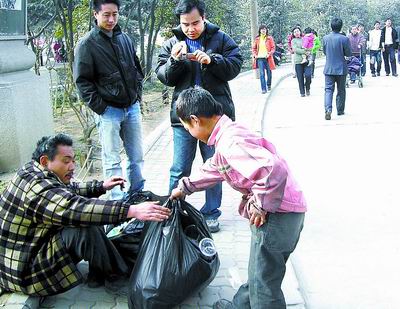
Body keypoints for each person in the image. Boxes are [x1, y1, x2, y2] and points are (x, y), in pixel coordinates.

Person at [170, 87, 306, 309]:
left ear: (194, 120)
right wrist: (185, 187)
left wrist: (261, 206)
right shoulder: (227, 134)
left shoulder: (230, 142)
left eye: (186, 127)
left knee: (264, 285)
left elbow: (274, 170)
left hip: (278, 216)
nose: (188, 131)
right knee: (259, 272)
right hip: (284, 212)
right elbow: (215, 168)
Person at [0, 134, 170, 296]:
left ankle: (97, 276)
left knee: (91, 218)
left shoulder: (34, 170)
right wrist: (132, 210)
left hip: (30, 252)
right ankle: (116, 276)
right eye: (66, 161)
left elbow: (64, 192)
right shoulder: (36, 188)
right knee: (85, 225)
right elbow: (73, 207)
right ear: (45, 160)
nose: (72, 166)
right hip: (25, 271)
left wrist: (101, 186)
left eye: (73, 161)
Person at [155, 0, 243, 232]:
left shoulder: (221, 39)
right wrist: (175, 61)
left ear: (203, 18)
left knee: (215, 165)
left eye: (195, 23)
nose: (190, 28)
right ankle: (173, 210)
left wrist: (212, 60)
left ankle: (211, 212)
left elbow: (235, 66)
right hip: (183, 119)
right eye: (185, 24)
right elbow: (164, 77)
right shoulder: (172, 43)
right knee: (179, 166)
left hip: (214, 119)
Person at [74, 0, 146, 200]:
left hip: (131, 107)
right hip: (109, 111)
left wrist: (137, 95)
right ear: (95, 14)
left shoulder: (124, 39)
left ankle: (137, 193)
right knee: (112, 160)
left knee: (137, 157)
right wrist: (102, 108)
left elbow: (136, 68)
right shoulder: (87, 44)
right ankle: (116, 203)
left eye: (115, 14)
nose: (111, 19)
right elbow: (82, 82)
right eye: (106, 14)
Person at [323, 17, 351, 120]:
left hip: (329, 68)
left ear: (331, 26)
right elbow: (348, 53)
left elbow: (325, 52)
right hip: (341, 69)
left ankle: (328, 110)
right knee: (341, 90)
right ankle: (340, 110)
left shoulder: (325, 38)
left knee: (328, 90)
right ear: (341, 27)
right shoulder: (344, 39)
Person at [252, 24, 276, 93]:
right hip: (260, 58)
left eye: (264, 29)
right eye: (262, 29)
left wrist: (269, 54)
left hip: (268, 58)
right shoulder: (257, 39)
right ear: (260, 31)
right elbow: (254, 48)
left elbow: (273, 48)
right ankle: (263, 89)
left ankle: (268, 84)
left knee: (269, 72)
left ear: (266, 30)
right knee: (262, 74)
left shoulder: (269, 38)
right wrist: (255, 55)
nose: (263, 30)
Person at [292, 26, 312, 97]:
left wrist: (308, 51)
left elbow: (310, 46)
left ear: (300, 32)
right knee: (300, 78)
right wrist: (304, 51)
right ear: (293, 34)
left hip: (307, 60)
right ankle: (302, 92)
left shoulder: (305, 38)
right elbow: (295, 49)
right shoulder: (293, 41)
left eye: (297, 31)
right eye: (295, 32)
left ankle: (307, 88)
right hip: (298, 61)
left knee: (308, 75)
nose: (296, 33)